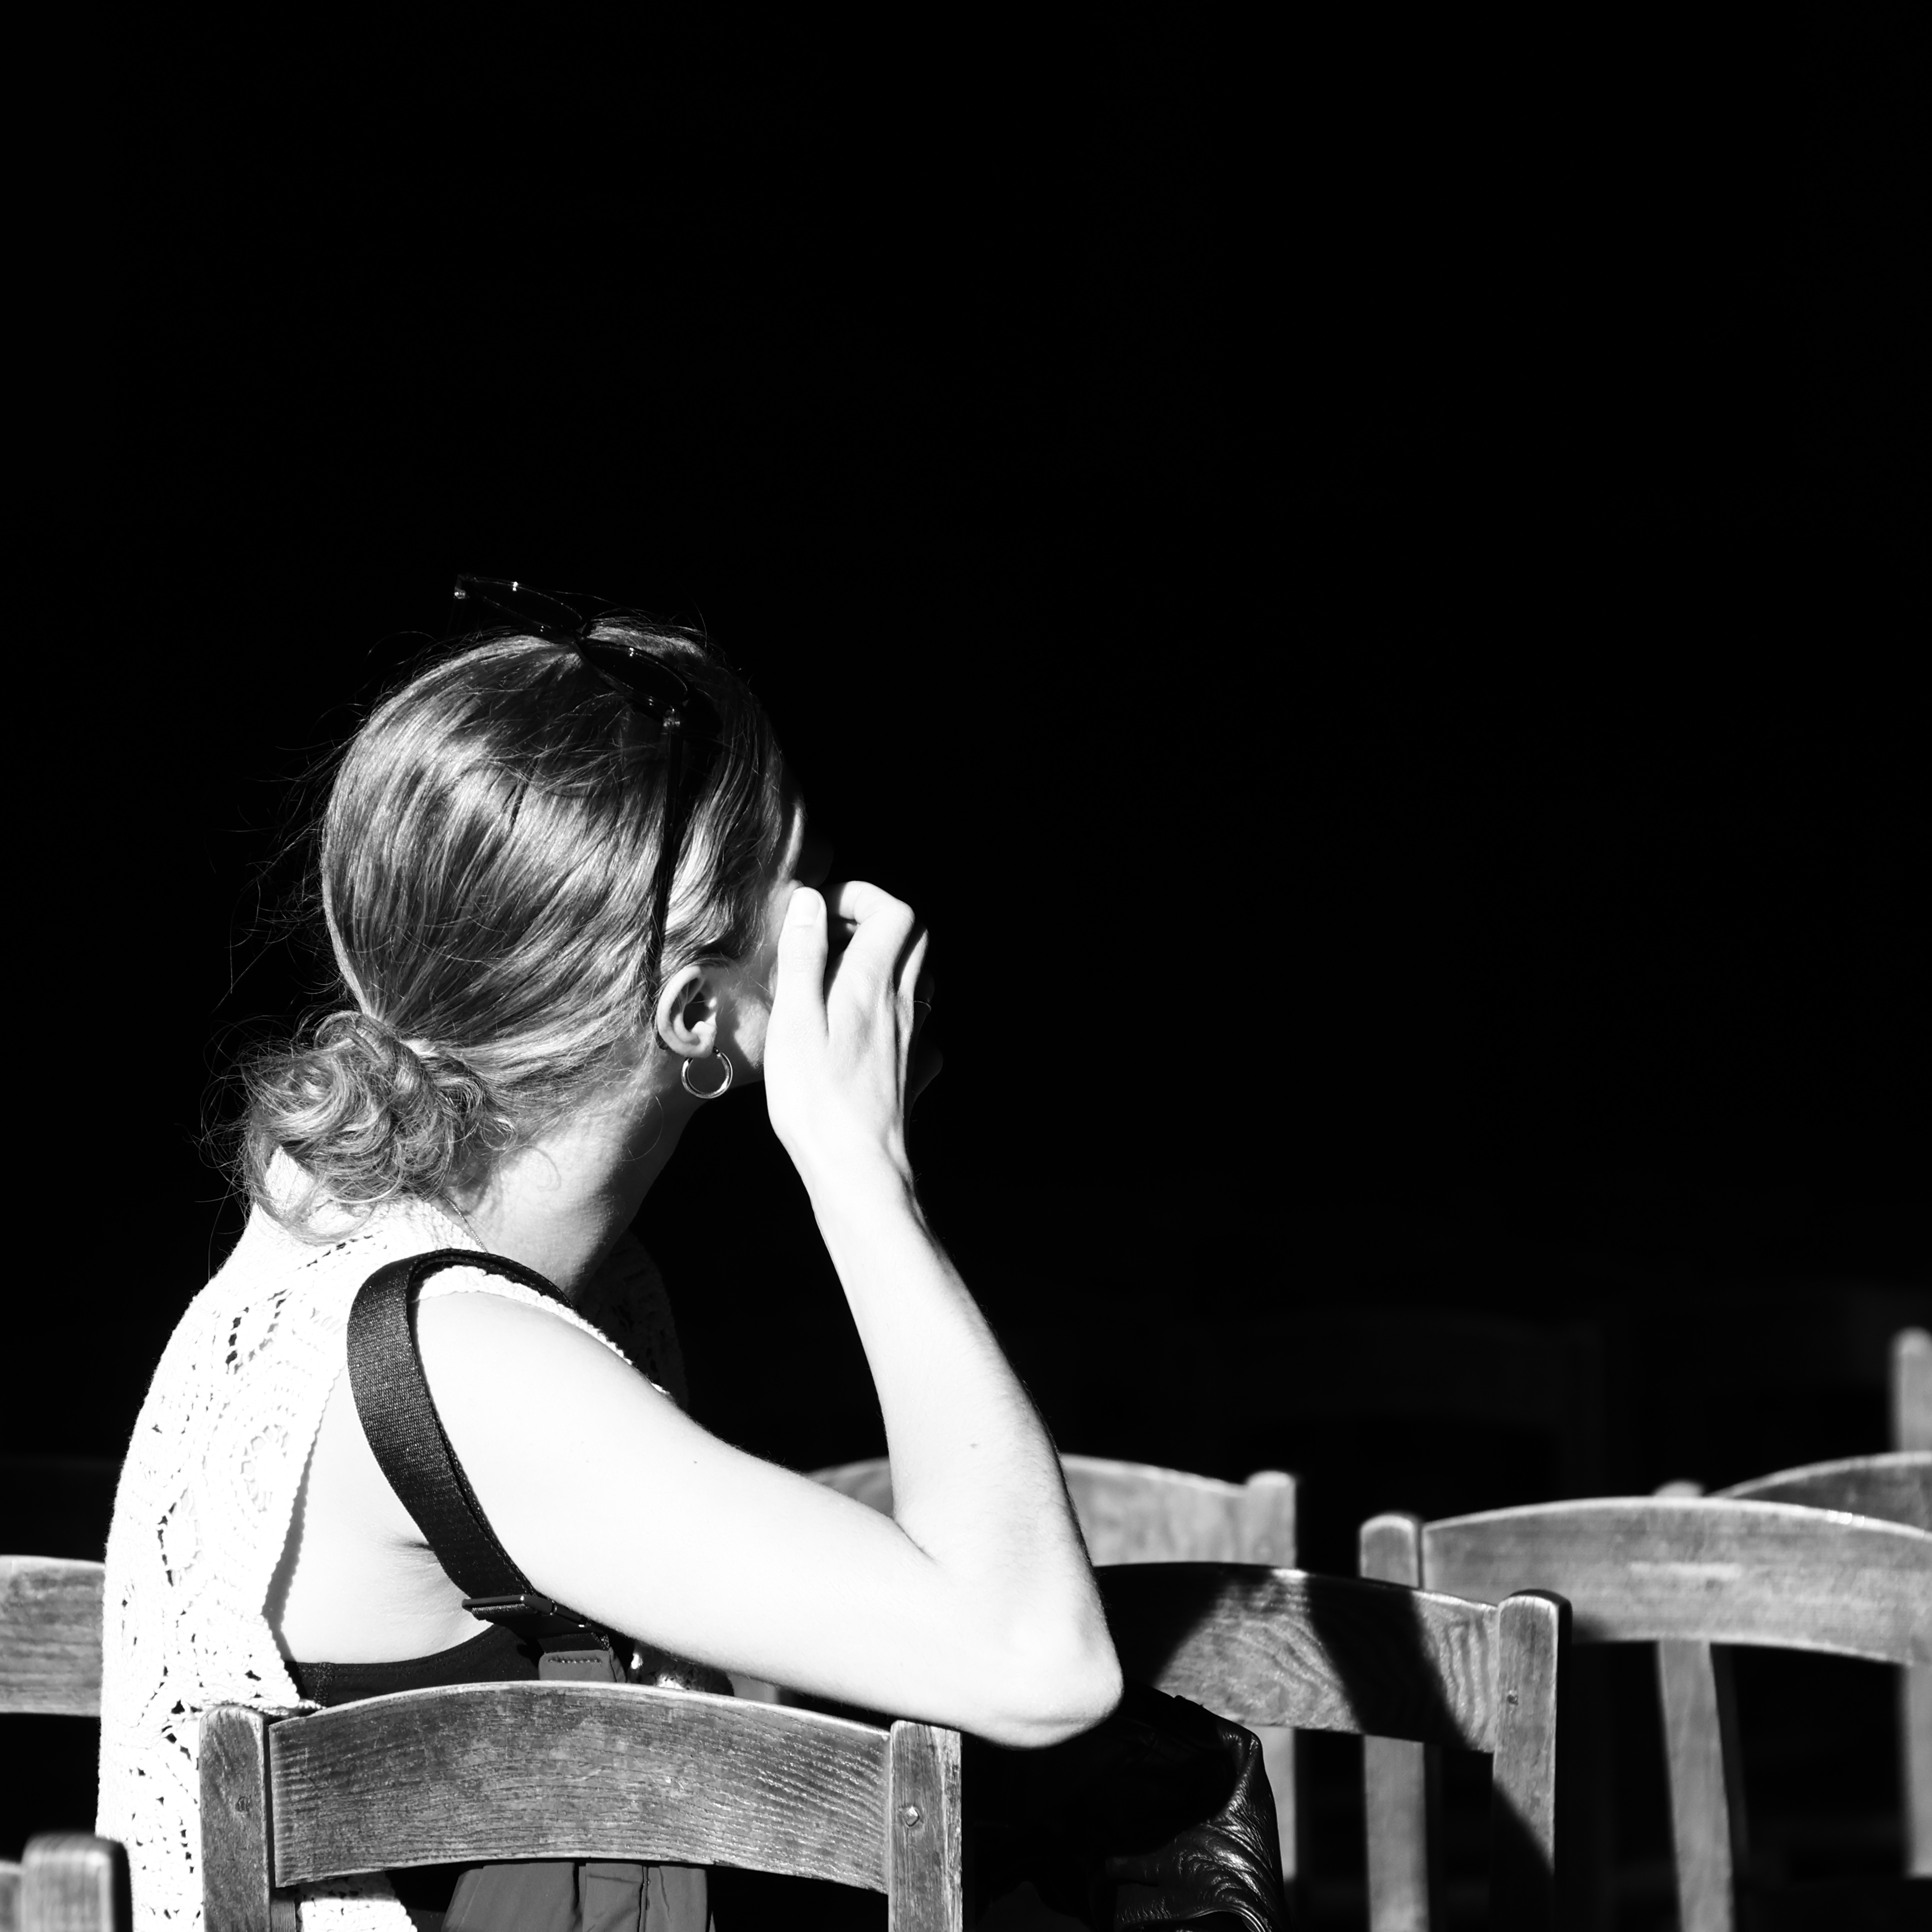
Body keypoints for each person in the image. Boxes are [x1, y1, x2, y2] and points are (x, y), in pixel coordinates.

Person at [97, 590, 1122, 1929]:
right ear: (692, 1010)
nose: (846, 917)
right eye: (805, 881)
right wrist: (862, 1169)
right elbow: (1043, 1664)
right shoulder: (467, 1359)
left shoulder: (336, 1215)